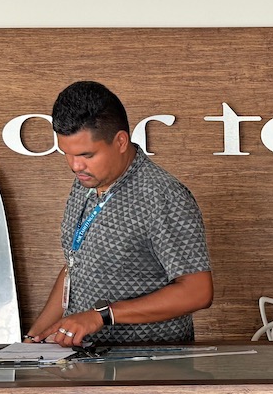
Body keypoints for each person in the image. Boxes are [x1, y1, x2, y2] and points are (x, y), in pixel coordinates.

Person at [23, 81, 213, 349]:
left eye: (86, 154)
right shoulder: (85, 181)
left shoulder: (163, 196)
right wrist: (35, 338)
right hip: (88, 362)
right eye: (66, 153)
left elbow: (198, 291)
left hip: (151, 368)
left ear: (121, 141)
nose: (75, 165)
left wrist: (103, 316)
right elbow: (75, 267)